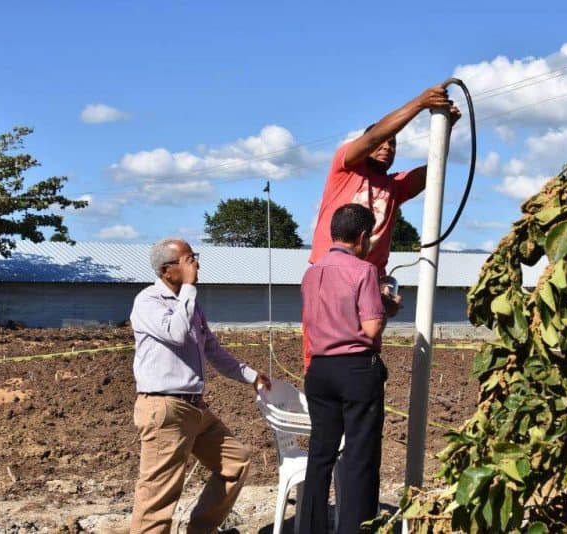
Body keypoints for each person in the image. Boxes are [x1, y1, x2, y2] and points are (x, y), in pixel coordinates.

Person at [129, 237, 271, 534]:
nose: (196, 264)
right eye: (189, 259)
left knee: (236, 462)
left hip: (194, 407)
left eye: (195, 257)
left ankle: (201, 530)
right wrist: (190, 289)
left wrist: (251, 375)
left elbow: (213, 350)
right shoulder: (148, 301)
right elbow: (177, 334)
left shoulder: (190, 303)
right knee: (158, 496)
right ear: (168, 270)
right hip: (165, 408)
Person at [299, 203, 390, 534]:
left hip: (319, 370)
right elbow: (371, 328)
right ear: (363, 237)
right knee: (359, 456)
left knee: (320, 455)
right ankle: (355, 528)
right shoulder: (363, 271)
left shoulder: (311, 272)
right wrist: (385, 305)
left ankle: (310, 527)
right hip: (354, 370)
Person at [309, 83, 461, 276]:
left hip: (371, 277)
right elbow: (374, 137)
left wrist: (444, 129)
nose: (387, 147)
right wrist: (420, 103)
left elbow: (432, 171)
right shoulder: (346, 166)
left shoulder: (394, 186)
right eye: (383, 141)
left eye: (393, 144)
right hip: (332, 271)